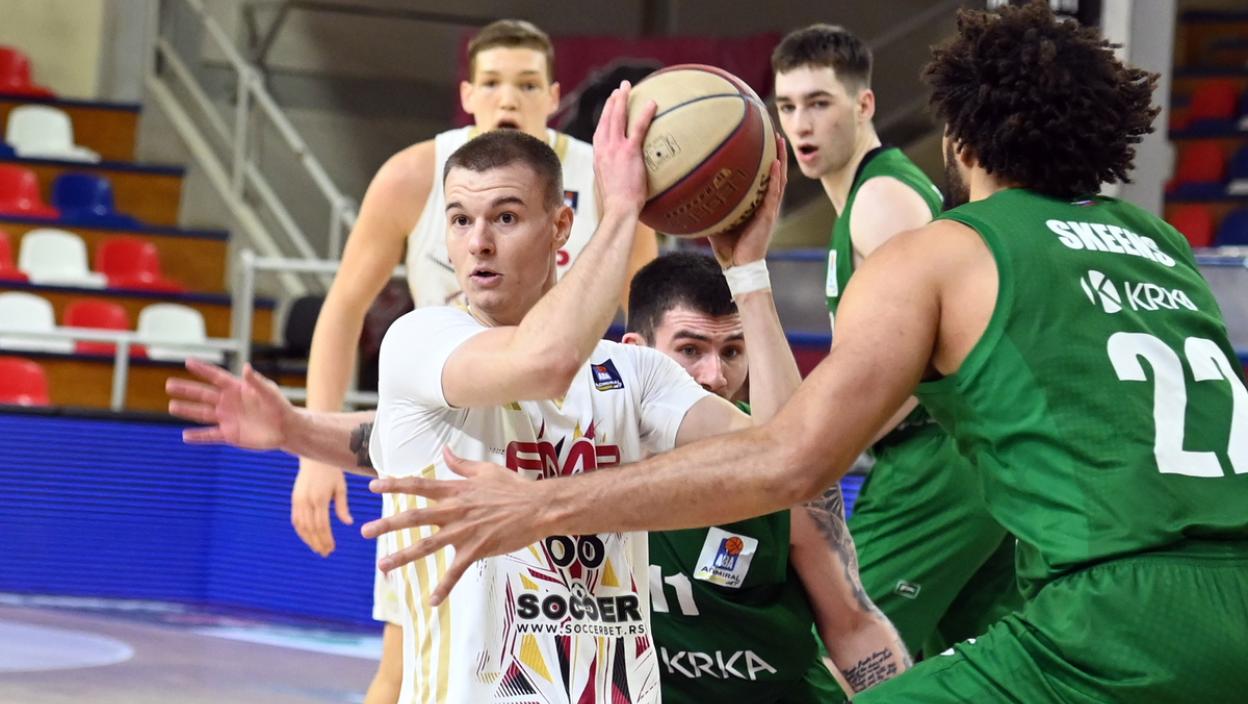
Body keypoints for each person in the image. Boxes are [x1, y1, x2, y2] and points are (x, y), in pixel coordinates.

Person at [366, 4, 1248, 701]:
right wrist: (747, 273)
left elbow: (790, 460)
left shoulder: (942, 247)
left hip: (1113, 614)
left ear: (958, 140)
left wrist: (543, 507)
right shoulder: (1160, 245)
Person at [171, 86, 911, 701]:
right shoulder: (421, 340)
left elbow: (788, 459)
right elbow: (545, 360)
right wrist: (622, 212)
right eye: (459, 220)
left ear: (561, 227)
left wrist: (747, 274)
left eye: (505, 217)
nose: (477, 242)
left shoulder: (633, 374)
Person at [291, 19, 657, 703]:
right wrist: (315, 453)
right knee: (408, 662)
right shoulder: (413, 174)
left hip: (567, 438)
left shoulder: (604, 179)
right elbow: (342, 309)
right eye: (490, 83)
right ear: (466, 95)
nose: (507, 99)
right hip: (444, 439)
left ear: (553, 95)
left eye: (526, 84)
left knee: (576, 633)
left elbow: (649, 315)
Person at [771, 24, 1020, 658]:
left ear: (864, 105)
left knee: (840, 653)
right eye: (787, 106)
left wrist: (822, 443)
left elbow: (920, 356)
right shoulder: (868, 196)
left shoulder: (881, 198)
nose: (801, 124)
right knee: (981, 665)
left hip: (937, 461)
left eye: (819, 103)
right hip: (963, 463)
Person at [623, 252, 905, 702]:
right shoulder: (589, 451)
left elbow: (852, 625)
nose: (715, 377)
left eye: (732, 352)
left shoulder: (783, 462)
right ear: (635, 353)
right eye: (690, 350)